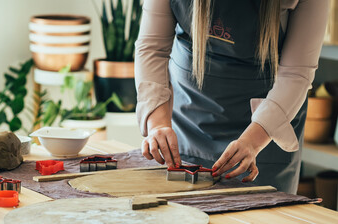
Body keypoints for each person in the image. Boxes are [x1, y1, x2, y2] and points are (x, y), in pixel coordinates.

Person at [135, 0, 329, 194]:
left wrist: (254, 141)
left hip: (265, 128)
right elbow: (153, 48)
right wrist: (158, 124)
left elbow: (296, 74)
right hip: (189, 119)